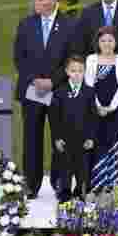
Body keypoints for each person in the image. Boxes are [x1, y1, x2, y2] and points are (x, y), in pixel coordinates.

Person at [13, 0, 78, 199]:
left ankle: (60, 182)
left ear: (53, 1)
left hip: (58, 91)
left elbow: (73, 58)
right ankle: (30, 184)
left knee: (60, 137)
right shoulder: (26, 25)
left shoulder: (69, 26)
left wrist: (52, 81)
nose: (38, 3)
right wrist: (36, 80)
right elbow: (19, 58)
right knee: (31, 138)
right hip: (32, 90)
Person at [85, 26, 118, 194]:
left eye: (110, 40)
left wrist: (111, 106)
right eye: (103, 40)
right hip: (95, 108)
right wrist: (98, 106)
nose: (106, 43)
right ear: (98, 42)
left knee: (115, 141)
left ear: (116, 42)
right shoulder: (91, 59)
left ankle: (117, 184)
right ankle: (98, 182)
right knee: (97, 142)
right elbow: (89, 84)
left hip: (116, 109)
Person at [49, 55, 98, 202]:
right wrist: (57, 138)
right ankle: (64, 193)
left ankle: (80, 192)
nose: (77, 74)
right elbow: (54, 119)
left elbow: (93, 117)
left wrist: (91, 137)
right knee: (65, 169)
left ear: (84, 72)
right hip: (65, 140)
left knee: (82, 169)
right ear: (67, 72)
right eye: (73, 70)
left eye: (80, 71)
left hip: (83, 140)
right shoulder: (59, 92)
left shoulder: (89, 92)